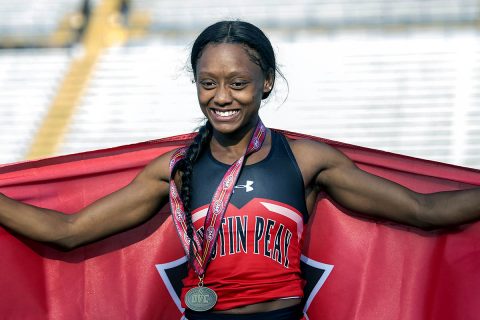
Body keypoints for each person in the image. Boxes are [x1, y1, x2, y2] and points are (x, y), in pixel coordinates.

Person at [0, 20, 479, 320]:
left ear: (266, 82)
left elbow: (422, 209)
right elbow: (67, 231)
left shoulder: (307, 159)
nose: (222, 97)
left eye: (238, 83)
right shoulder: (172, 169)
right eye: (208, 83)